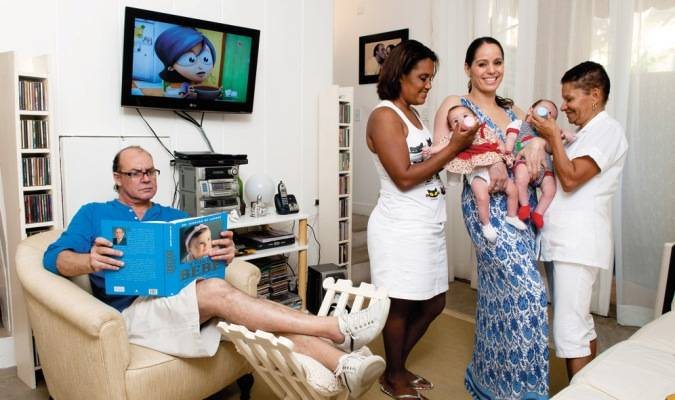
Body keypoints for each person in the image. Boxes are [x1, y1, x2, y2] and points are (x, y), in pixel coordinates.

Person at [43, 145, 391, 399]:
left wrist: (224, 255)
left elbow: (208, 266)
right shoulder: (94, 214)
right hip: (133, 310)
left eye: (151, 171)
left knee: (254, 320)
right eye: (136, 173)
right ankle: (331, 327)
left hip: (183, 298)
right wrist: (89, 260)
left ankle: (343, 364)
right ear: (118, 178)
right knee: (213, 294)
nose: (146, 179)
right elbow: (53, 259)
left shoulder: (174, 216)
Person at [433, 36, 549, 399]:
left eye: (497, 62)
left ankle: (492, 380)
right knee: (528, 290)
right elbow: (441, 158)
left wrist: (537, 144)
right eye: (482, 63)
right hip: (485, 209)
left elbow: (536, 145)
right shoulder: (456, 104)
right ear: (468, 68)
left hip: (518, 209)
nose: (491, 70)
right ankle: (522, 391)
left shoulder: (513, 111)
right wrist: (488, 159)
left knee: (501, 295)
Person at [366, 40, 477, 399]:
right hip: (399, 227)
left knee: (434, 302)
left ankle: (395, 368)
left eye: (431, 78)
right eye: (423, 78)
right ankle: (394, 375)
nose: (428, 85)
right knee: (402, 303)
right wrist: (454, 148)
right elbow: (404, 175)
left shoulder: (414, 114)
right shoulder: (384, 116)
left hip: (426, 225)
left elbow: (431, 162)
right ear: (399, 75)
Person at [524, 61, 628, 379]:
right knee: (580, 324)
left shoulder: (607, 131)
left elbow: (570, 179)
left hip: (578, 244)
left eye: (569, 99)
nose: (564, 107)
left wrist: (551, 134)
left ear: (594, 95)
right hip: (563, 242)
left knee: (569, 332)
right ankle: (590, 387)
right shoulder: (583, 135)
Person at [428, 105, 527, 242]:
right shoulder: (455, 136)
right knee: (482, 197)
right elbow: (443, 144)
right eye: (455, 121)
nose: (461, 121)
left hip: (492, 163)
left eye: (465, 116)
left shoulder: (484, 130)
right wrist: (432, 150)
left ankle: (511, 216)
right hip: (476, 171)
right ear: (452, 128)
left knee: (513, 191)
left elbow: (496, 140)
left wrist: (504, 149)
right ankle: (486, 225)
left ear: (475, 118)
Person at [504, 99, 577, 229]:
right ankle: (525, 206)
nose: (546, 115)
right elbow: (513, 141)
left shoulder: (550, 134)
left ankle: (538, 213)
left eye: (551, 115)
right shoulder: (519, 125)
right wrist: (510, 150)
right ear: (530, 111)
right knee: (520, 180)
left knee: (550, 189)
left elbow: (554, 147)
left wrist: (564, 135)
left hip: (545, 168)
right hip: (524, 162)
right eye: (543, 110)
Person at [154, 26, 217, 98]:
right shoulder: (178, 87)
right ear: (171, 67)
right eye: (190, 59)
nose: (200, 66)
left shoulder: (203, 82)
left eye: (206, 59)